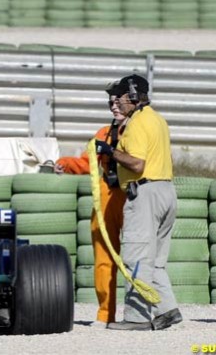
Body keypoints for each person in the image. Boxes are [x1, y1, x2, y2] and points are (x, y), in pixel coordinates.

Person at [95, 74, 181, 331]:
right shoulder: (157, 119)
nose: (116, 102)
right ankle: (167, 310)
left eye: (120, 97)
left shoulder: (136, 124)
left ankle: (137, 318)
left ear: (133, 96)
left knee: (135, 256)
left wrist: (110, 151)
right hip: (165, 191)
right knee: (154, 261)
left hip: (144, 194)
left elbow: (137, 163)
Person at [54, 82, 127, 326]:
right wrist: (64, 163)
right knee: (104, 258)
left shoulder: (142, 128)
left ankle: (142, 312)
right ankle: (106, 313)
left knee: (138, 256)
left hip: (135, 200)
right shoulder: (103, 132)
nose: (114, 107)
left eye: (118, 102)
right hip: (106, 199)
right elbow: (87, 163)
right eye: (111, 103)